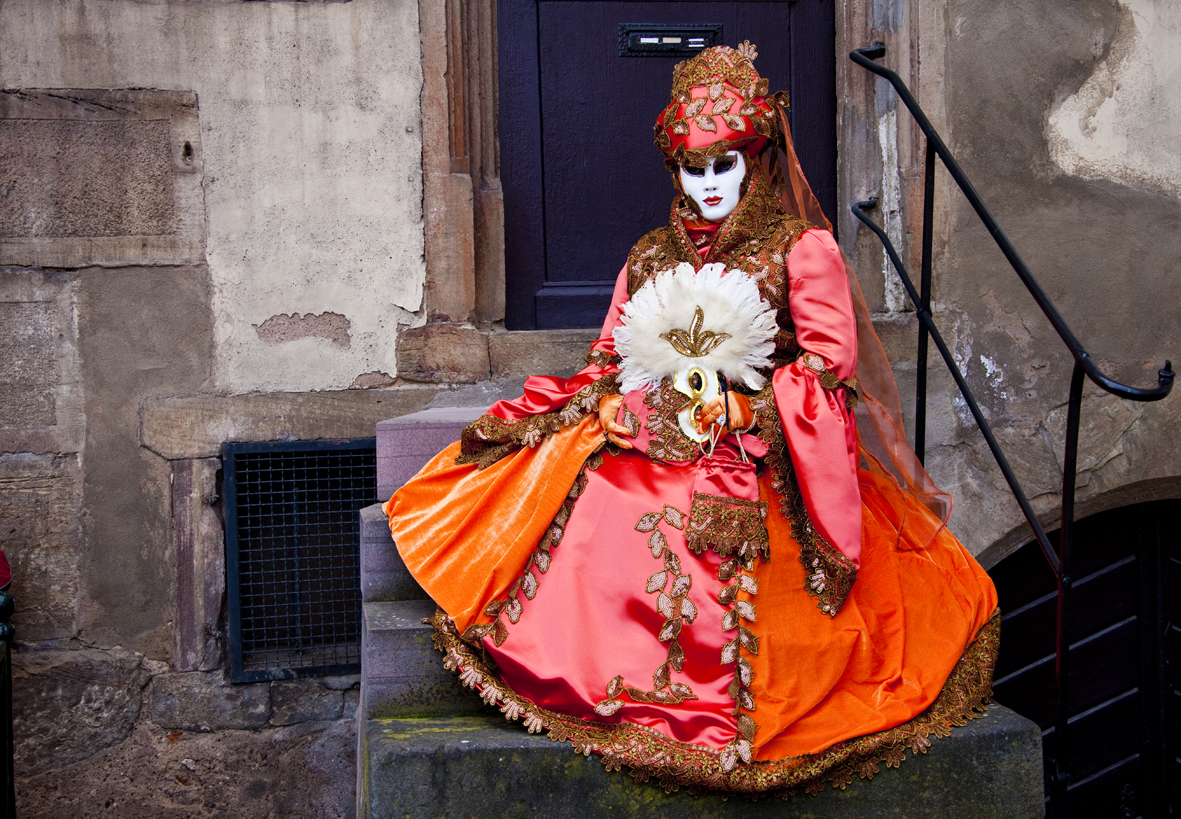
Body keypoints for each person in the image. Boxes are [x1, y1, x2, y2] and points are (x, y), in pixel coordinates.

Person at [384, 42, 998, 795]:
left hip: (759, 447)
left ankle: (729, 699)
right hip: (657, 431)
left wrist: (753, 406)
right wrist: (610, 397)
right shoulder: (650, 253)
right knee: (599, 489)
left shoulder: (799, 248)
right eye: (692, 169)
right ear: (673, 170)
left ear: (755, 160)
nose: (707, 185)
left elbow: (828, 361)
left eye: (723, 166)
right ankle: (617, 677)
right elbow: (611, 349)